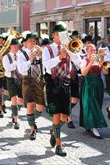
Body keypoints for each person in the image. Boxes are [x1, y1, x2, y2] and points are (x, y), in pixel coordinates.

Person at [43, 24, 79, 157]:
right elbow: (46, 64)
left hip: (65, 82)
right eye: (60, 34)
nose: (62, 36)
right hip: (52, 83)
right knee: (56, 114)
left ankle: (54, 130)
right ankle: (59, 144)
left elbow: (79, 63)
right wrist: (59, 57)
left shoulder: (69, 47)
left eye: (64, 34)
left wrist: (70, 51)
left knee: (65, 115)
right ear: (54, 35)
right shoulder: (48, 49)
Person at [18, 33, 44, 139]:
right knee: (30, 105)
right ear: (25, 43)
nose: (33, 43)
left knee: (40, 107)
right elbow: (21, 69)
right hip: (28, 81)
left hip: (39, 80)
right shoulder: (22, 54)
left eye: (34, 41)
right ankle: (32, 129)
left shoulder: (40, 52)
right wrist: (30, 60)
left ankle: (32, 119)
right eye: (30, 41)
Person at [80, 44, 108, 139]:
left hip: (98, 85)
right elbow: (83, 73)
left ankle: (89, 124)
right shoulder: (84, 60)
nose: (94, 52)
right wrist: (91, 62)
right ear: (87, 51)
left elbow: (106, 72)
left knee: (98, 105)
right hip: (89, 85)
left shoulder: (99, 61)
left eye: (95, 50)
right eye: (91, 50)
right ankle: (95, 128)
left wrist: (102, 62)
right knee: (91, 106)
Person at [3, 38, 23, 129]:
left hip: (20, 79)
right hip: (11, 79)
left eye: (17, 46)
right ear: (10, 47)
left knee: (20, 101)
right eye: (14, 46)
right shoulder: (6, 57)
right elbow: (7, 68)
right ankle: (16, 120)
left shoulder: (22, 55)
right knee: (14, 99)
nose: (16, 48)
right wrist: (16, 62)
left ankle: (14, 112)